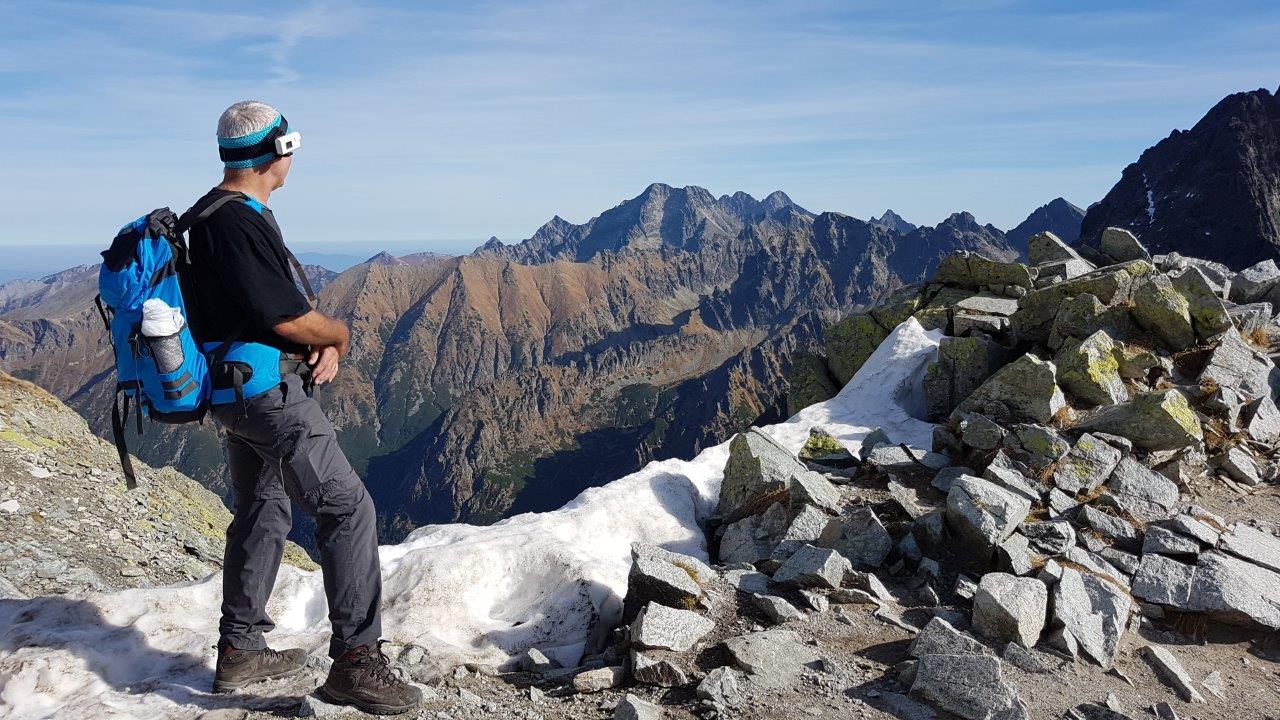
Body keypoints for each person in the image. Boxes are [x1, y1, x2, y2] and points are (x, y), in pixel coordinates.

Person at [180, 100, 421, 715]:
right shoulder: (239, 222)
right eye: (293, 145)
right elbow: (281, 313)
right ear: (277, 152)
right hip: (267, 395)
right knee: (348, 507)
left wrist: (310, 344)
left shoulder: (204, 216)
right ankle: (357, 663)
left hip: (230, 393)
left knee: (263, 506)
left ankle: (240, 652)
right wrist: (335, 335)